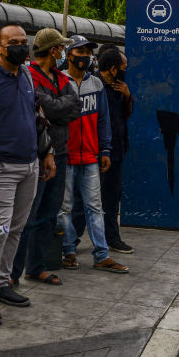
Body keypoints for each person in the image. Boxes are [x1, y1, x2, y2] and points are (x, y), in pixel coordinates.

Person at [0, 24, 55, 325]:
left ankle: (2, 284)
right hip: (0, 168)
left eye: (24, 42)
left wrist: (46, 153)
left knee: (17, 229)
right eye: (13, 42)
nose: (21, 46)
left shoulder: (27, 74)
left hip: (30, 164)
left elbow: (35, 115)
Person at [10, 28, 80, 287]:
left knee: (49, 214)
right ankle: (13, 272)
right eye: (61, 48)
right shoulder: (29, 76)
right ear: (53, 50)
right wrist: (59, 106)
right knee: (27, 216)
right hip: (38, 155)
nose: (63, 52)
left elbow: (75, 107)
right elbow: (43, 107)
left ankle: (36, 266)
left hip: (60, 154)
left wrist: (56, 107)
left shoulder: (61, 78)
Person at [58, 35, 128, 273]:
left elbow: (103, 120)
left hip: (90, 157)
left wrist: (105, 149)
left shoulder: (96, 84)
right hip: (65, 156)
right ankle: (68, 250)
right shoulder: (59, 81)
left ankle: (101, 254)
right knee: (65, 207)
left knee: (95, 207)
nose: (85, 57)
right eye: (80, 52)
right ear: (68, 55)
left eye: (88, 52)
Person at [71, 46, 134, 254]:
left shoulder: (119, 87)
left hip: (116, 151)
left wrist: (127, 96)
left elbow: (124, 116)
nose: (126, 71)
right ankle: (72, 239)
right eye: (124, 67)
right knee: (85, 200)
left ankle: (112, 238)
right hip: (96, 154)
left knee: (112, 198)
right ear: (113, 69)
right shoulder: (94, 85)